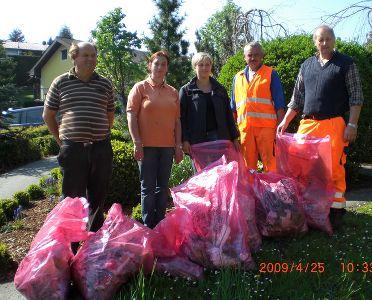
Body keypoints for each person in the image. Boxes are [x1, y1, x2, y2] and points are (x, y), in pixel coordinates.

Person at [277, 25, 364, 225]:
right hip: (308, 125)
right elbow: (296, 100)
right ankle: (308, 211)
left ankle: (335, 213)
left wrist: (352, 124)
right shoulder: (306, 65)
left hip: (334, 125)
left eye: (328, 39)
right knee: (303, 169)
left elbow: (356, 97)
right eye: (320, 39)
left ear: (334, 40)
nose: (324, 43)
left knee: (333, 170)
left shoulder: (346, 64)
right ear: (315, 42)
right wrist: (285, 121)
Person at [43, 41, 115, 233]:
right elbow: (48, 115)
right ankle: (71, 247)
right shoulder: (60, 82)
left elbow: (110, 115)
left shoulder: (105, 83)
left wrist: (100, 135)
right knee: (72, 201)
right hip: (73, 149)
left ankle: (93, 247)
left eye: (93, 55)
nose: (91, 59)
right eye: (86, 55)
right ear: (75, 57)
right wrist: (62, 142)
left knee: (98, 199)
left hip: (101, 149)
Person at [126, 50, 183, 229]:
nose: (159, 67)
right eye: (156, 63)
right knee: (148, 188)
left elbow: (177, 121)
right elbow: (131, 116)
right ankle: (148, 226)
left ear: (167, 68)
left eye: (163, 64)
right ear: (150, 65)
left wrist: (178, 145)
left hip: (167, 148)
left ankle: (160, 224)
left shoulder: (173, 92)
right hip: (147, 147)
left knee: (162, 187)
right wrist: (137, 142)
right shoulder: (140, 88)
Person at [231, 41, 285, 172]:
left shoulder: (271, 74)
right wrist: (233, 134)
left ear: (262, 56)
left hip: (267, 129)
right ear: (244, 57)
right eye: (250, 55)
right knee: (248, 168)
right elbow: (233, 108)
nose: (253, 58)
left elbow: (280, 105)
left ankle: (273, 192)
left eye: (256, 55)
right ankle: (251, 192)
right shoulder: (237, 78)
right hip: (245, 131)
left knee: (271, 165)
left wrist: (281, 132)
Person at [179, 52, 240, 161]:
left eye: (207, 64)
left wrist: (235, 138)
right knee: (203, 175)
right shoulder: (186, 91)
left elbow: (228, 115)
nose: (204, 68)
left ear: (211, 66)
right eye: (200, 65)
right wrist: (185, 140)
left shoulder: (220, 89)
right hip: (197, 141)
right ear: (194, 67)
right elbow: (181, 119)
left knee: (220, 174)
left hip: (219, 139)